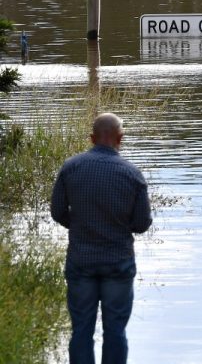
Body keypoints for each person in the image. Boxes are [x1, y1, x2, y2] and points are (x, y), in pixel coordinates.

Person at [51, 113, 152, 364]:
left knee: (81, 330)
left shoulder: (70, 167)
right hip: (118, 261)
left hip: (81, 261)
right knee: (116, 330)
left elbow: (57, 211)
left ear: (92, 138)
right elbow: (141, 224)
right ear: (121, 138)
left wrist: (79, 225)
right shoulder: (132, 174)